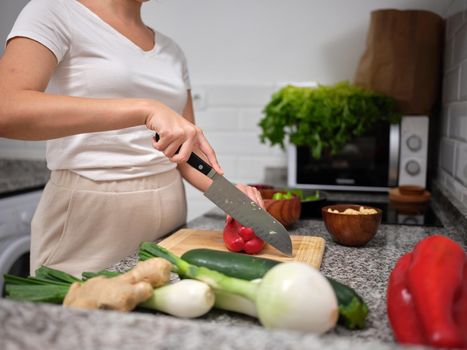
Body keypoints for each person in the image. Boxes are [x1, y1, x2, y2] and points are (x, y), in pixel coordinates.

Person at [0, 0, 264, 277]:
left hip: (170, 211)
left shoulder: (171, 51)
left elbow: (184, 150)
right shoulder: (54, 10)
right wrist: (145, 109)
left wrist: (230, 194)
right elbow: (6, 110)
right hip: (90, 218)